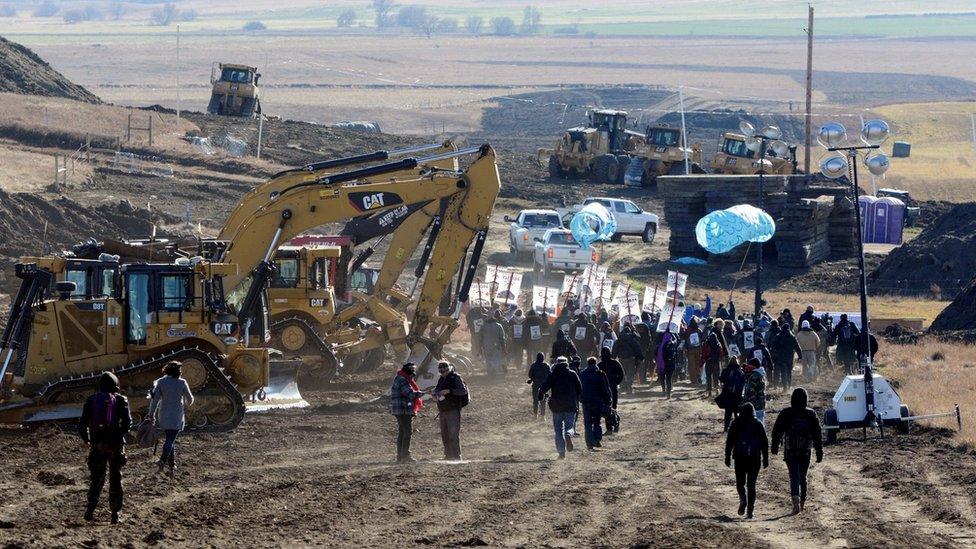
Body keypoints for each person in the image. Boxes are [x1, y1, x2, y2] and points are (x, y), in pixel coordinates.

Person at [79, 372, 132, 524]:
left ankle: (90, 510)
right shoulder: (121, 399)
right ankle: (115, 515)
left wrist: (87, 440)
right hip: (115, 445)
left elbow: (82, 424)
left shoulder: (92, 400)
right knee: (115, 478)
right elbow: (127, 423)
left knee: (96, 479)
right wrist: (117, 436)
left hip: (97, 445)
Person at [771, 388, 824, 514]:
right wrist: (819, 450)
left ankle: (795, 502)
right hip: (806, 449)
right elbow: (817, 434)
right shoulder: (811, 414)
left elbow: (777, 431)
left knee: (793, 476)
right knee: (803, 476)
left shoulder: (786, 413)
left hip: (790, 449)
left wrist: (774, 446)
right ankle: (802, 504)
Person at [147, 361, 194, 477]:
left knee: (169, 439)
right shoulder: (182, 382)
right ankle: (162, 460)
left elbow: (155, 400)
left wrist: (151, 414)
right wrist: (185, 404)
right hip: (177, 415)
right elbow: (191, 399)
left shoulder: (161, 382)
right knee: (170, 440)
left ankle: (172, 465)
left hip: (163, 415)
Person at [724, 402, 769, 519]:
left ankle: (743, 499)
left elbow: (729, 442)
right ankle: (750, 511)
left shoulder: (736, 423)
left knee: (740, 483)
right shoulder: (758, 423)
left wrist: (727, 457)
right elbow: (764, 442)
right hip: (755, 458)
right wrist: (766, 458)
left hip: (740, 457)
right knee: (752, 485)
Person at [538, 356, 582, 459]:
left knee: (558, 430)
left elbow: (543, 388)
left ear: (557, 363)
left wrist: (540, 396)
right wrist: (577, 398)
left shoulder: (553, 374)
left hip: (557, 406)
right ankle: (568, 435)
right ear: (567, 363)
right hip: (570, 405)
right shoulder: (572, 374)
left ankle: (561, 452)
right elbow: (580, 388)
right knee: (570, 427)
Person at [389, 363, 425, 463]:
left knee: (402, 432)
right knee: (407, 432)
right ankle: (405, 456)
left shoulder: (399, 377)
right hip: (404, 409)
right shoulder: (403, 380)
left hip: (399, 410)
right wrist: (424, 392)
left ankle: (400, 456)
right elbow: (410, 393)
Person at [434, 361, 469, 461]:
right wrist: (436, 394)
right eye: (441, 371)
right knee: (445, 434)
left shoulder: (456, 377)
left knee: (453, 433)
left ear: (449, 368)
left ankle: (456, 455)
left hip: (453, 409)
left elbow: (462, 391)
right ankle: (448, 455)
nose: (443, 372)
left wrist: (449, 391)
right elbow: (437, 389)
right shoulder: (441, 379)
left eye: (445, 370)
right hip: (442, 410)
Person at [579, 357, 612, 450]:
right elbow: (605, 389)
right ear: (596, 363)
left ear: (588, 364)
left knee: (588, 422)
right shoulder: (600, 374)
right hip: (597, 401)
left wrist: (580, 398)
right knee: (597, 421)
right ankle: (597, 439)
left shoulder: (582, 374)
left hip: (586, 401)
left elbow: (579, 387)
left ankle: (589, 442)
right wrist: (608, 400)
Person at [598, 346, 624, 433]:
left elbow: (621, 374)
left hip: (612, 389)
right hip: (604, 390)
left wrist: (616, 382)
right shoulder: (600, 365)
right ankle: (609, 428)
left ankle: (615, 423)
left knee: (612, 408)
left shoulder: (615, 363)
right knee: (606, 409)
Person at [612, 324, 644, 394]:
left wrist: (613, 358)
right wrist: (640, 357)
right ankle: (629, 388)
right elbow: (637, 348)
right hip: (631, 358)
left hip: (621, 358)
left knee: (622, 373)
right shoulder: (632, 339)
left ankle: (622, 387)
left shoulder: (619, 339)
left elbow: (614, 349)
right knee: (630, 374)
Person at [770, 324, 802, 391]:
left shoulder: (778, 336)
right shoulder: (792, 337)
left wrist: (775, 352)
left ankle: (785, 387)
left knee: (783, 373)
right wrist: (800, 356)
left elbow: (773, 345)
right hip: (790, 357)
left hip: (781, 357)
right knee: (789, 372)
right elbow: (797, 347)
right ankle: (789, 385)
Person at [719, 357, 746, 432]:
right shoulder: (741, 371)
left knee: (728, 413)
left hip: (728, 394)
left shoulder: (725, 370)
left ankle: (726, 428)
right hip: (738, 395)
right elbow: (743, 382)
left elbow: (721, 379)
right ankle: (738, 428)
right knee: (737, 412)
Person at [703, 319, 728, 397]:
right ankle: (715, 390)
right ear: (716, 324)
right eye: (720, 324)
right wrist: (725, 354)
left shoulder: (715, 332)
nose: (721, 326)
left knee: (711, 375)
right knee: (716, 374)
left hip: (711, 358)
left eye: (722, 325)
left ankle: (711, 390)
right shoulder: (716, 333)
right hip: (716, 357)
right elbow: (721, 345)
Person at [480, 310, 508, 376]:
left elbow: (480, 338)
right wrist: (504, 348)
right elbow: (502, 338)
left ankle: (490, 372)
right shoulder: (499, 326)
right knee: (495, 359)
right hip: (496, 346)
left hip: (486, 346)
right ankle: (494, 371)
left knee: (488, 359)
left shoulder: (483, 326)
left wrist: (480, 347)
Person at [742, 358, 767, 424]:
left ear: (753, 366)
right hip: (760, 405)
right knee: (760, 426)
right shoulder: (760, 375)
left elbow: (750, 392)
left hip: (754, 406)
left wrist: (747, 404)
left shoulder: (753, 376)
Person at [527, 352, 552, 419]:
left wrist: (532, 379)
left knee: (535, 400)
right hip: (544, 386)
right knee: (543, 401)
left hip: (535, 385)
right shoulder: (546, 365)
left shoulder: (533, 365)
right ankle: (543, 416)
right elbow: (550, 375)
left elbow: (530, 374)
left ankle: (535, 415)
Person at [656, 330, 678, 399]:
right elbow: (677, 339)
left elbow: (655, 353)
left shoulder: (660, 345)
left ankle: (663, 390)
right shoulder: (673, 343)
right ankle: (669, 393)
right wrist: (671, 332)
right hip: (671, 364)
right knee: (669, 378)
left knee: (662, 378)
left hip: (662, 364)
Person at [683, 318, 704, 386]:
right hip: (698, 349)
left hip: (690, 350)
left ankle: (694, 380)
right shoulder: (699, 330)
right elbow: (702, 339)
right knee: (698, 364)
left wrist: (685, 349)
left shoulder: (687, 330)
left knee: (691, 365)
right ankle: (699, 377)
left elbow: (685, 340)